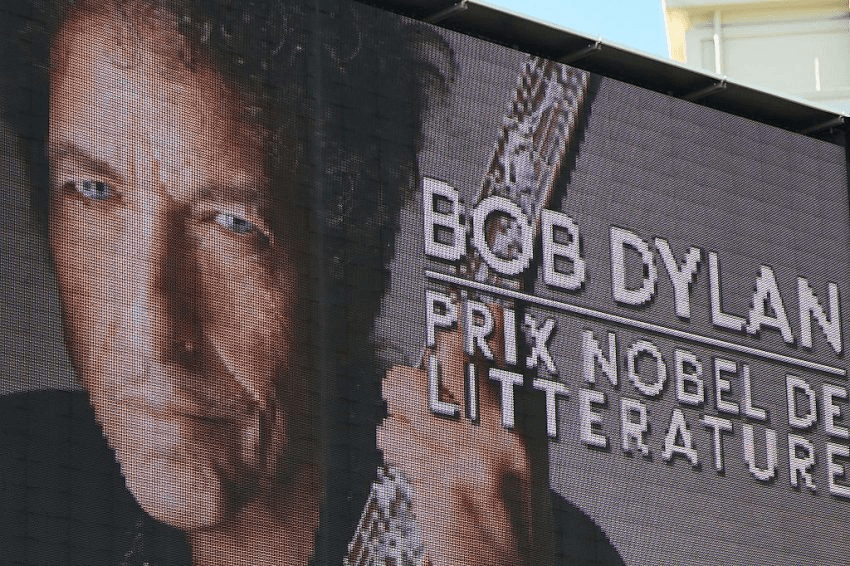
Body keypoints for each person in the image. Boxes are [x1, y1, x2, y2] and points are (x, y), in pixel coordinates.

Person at [0, 0, 624, 564]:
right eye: (94, 189)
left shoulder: (534, 552)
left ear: (348, 270)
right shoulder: (21, 485)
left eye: (232, 224)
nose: (150, 332)